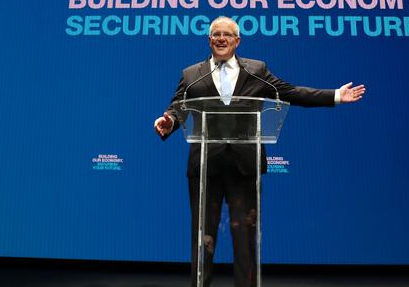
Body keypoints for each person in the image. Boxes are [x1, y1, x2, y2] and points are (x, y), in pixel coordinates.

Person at [153, 16, 365, 287]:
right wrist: (168, 121)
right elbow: (178, 107)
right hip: (205, 168)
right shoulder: (192, 74)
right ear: (209, 40)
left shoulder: (256, 70)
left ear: (237, 41)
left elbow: (291, 92)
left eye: (227, 35)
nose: (220, 39)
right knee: (202, 238)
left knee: (245, 239)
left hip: (244, 167)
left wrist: (334, 95)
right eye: (215, 34)